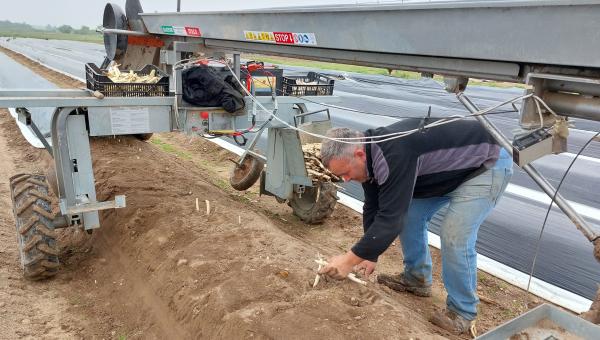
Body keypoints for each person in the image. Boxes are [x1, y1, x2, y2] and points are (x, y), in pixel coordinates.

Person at [317, 119, 513, 335]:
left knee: (454, 236)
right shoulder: (368, 155)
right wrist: (369, 255)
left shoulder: (393, 153)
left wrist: (347, 261)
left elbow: (390, 220)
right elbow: (374, 205)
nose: (345, 180)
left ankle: (462, 312)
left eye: (345, 172)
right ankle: (417, 279)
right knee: (409, 216)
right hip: (447, 171)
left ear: (358, 154)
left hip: (485, 164)